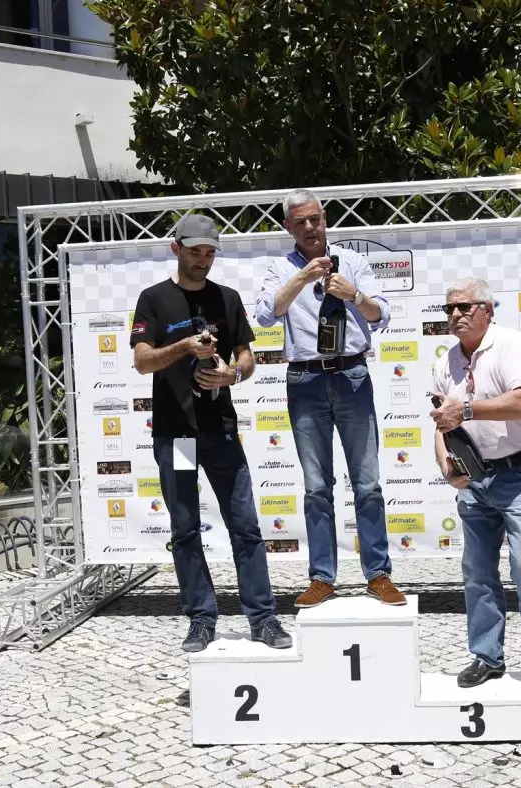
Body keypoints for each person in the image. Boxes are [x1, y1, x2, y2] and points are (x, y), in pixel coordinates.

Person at [132, 214, 292, 653]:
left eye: (209, 253)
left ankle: (263, 618)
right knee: (185, 528)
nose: (203, 261)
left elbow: (247, 357)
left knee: (245, 525)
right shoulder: (154, 299)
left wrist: (231, 377)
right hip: (178, 435)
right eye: (195, 251)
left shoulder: (227, 298)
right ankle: (201, 619)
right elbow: (143, 361)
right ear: (176, 248)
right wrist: (184, 347)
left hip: (219, 431)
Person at [254, 188, 405, 608]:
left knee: (368, 483)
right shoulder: (279, 268)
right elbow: (267, 313)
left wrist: (353, 294)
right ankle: (322, 577)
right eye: (300, 221)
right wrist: (302, 277)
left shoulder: (354, 262)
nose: (309, 227)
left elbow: (382, 315)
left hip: (352, 375)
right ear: (288, 227)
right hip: (305, 379)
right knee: (317, 485)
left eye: (315, 219)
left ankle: (378, 574)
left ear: (325, 220)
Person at [429, 277, 521, 688]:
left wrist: (466, 410)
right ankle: (487, 656)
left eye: (465, 307)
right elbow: (440, 422)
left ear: (488, 309)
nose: (455, 315)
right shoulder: (444, 363)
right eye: (449, 309)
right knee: (477, 572)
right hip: (476, 479)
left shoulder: (511, 344)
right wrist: (447, 468)